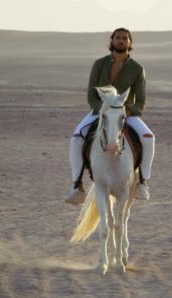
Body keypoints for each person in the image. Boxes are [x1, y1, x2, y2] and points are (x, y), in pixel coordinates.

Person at [64, 27, 155, 205]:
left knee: (148, 137)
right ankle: (77, 186)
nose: (121, 41)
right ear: (111, 41)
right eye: (118, 38)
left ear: (130, 43)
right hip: (101, 111)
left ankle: (142, 183)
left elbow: (141, 101)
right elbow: (91, 95)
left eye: (125, 38)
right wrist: (102, 109)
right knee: (76, 138)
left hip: (124, 113)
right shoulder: (99, 64)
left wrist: (126, 112)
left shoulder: (137, 69)